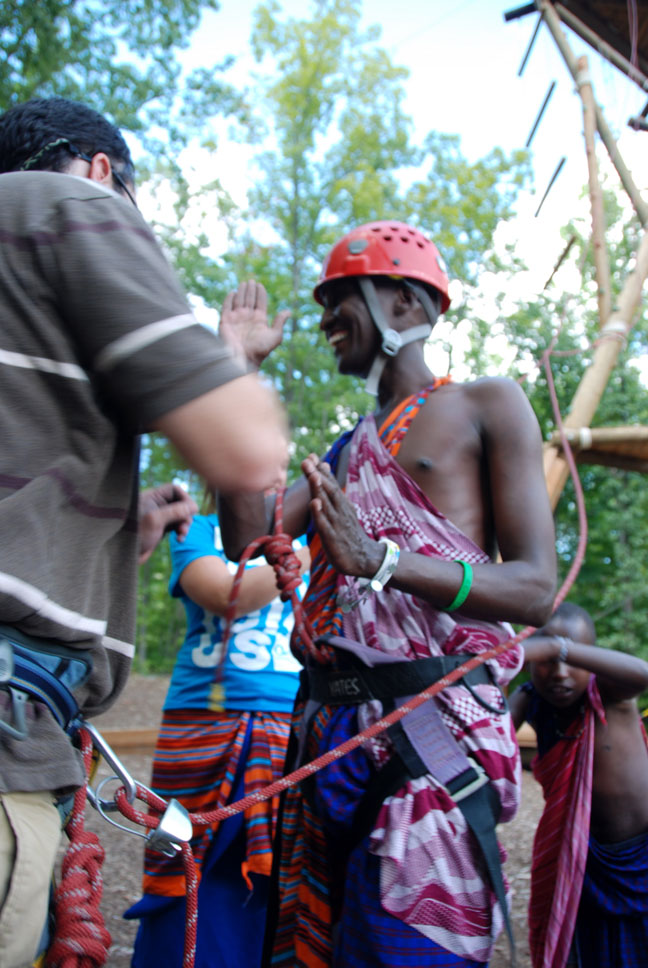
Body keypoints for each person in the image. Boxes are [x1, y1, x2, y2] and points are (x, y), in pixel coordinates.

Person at [217, 221, 558, 967]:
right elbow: (245, 532)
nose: (324, 321)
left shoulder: (488, 404)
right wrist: (236, 371)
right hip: (329, 739)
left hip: (430, 741)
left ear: (403, 301)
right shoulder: (346, 450)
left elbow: (536, 588)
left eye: (339, 300)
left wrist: (382, 561)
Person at [0, 95, 289, 968]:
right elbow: (245, 451)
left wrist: (117, 533)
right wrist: (232, 363)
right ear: (100, 170)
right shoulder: (67, 204)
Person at [124, 504, 309, 967]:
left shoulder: (313, 537)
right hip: (199, 724)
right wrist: (312, 551)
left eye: (278, 472)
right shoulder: (198, 530)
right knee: (182, 859)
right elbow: (227, 594)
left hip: (290, 720)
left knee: (276, 873)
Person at [509, 602, 648, 968]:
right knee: (588, 950)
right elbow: (494, 736)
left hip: (639, 859)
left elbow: (642, 673)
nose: (560, 673)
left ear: (592, 658)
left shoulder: (611, 694)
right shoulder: (531, 700)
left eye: (573, 659)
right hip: (580, 861)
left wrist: (557, 647)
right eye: (546, 661)